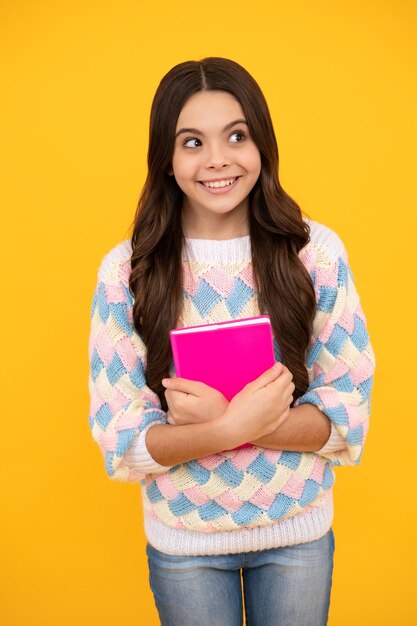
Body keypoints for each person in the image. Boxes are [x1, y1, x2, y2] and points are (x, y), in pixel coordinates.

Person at [87, 57, 375, 626]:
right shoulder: (128, 272)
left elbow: (348, 407)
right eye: (192, 142)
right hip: (185, 545)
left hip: (296, 535)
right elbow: (119, 436)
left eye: (236, 136)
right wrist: (228, 428)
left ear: (261, 145)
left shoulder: (314, 254)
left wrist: (240, 422)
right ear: (166, 161)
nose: (217, 159)